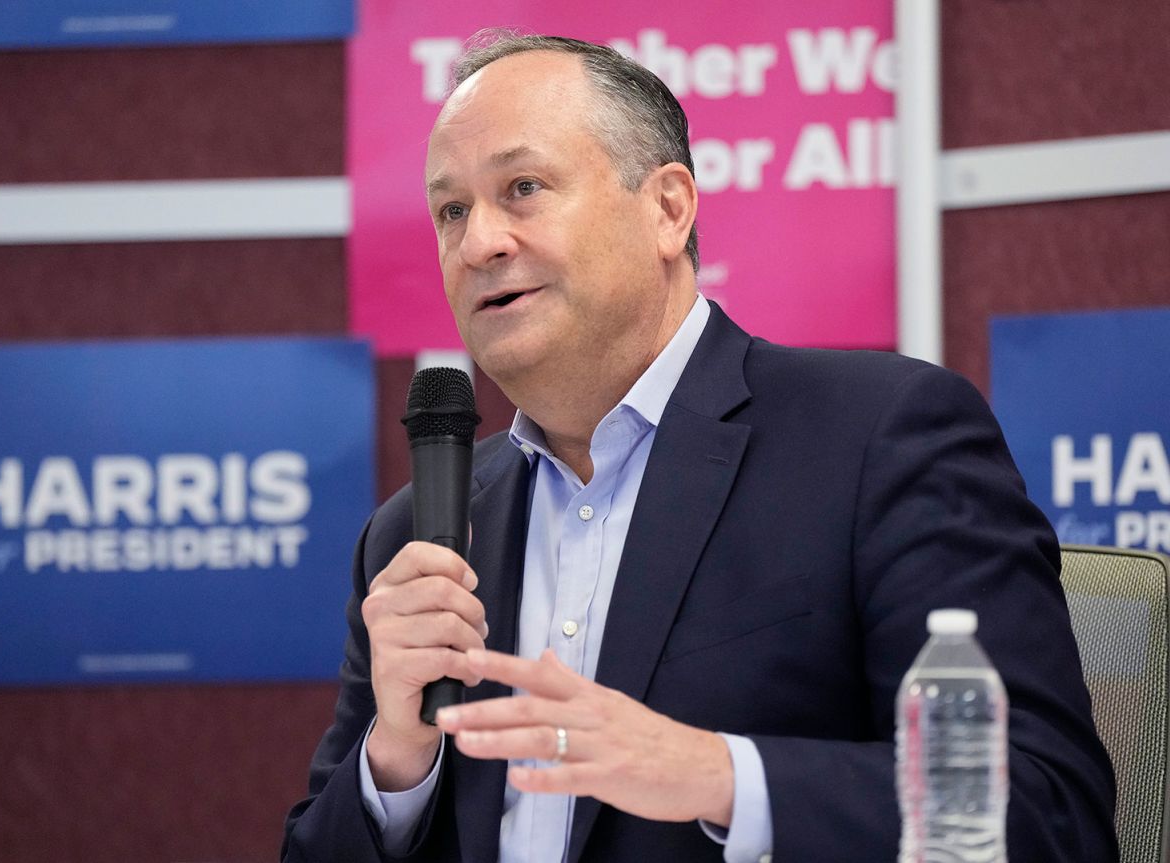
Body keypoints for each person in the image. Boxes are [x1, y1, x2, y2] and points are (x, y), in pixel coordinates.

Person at [282, 33, 1116, 863]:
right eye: (452, 210)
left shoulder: (881, 438)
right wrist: (396, 760)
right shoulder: (415, 536)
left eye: (523, 187)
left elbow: (1047, 815)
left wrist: (720, 774)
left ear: (668, 209)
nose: (478, 243)